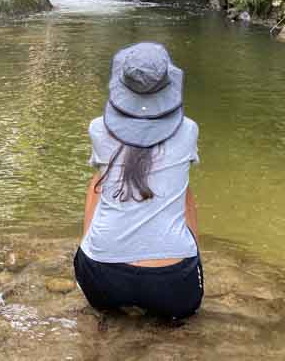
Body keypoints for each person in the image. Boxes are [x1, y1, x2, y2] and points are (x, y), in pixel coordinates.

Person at [73, 42, 203, 321]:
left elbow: (98, 188)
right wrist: (193, 256)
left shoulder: (98, 129)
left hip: (101, 276)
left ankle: (94, 249)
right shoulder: (188, 130)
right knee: (183, 188)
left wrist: (89, 243)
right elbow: (185, 201)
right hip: (171, 283)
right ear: (169, 84)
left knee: (99, 180)